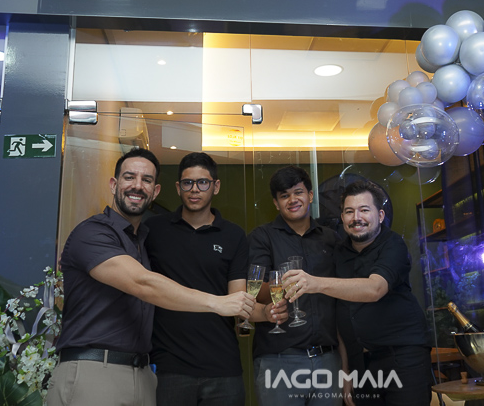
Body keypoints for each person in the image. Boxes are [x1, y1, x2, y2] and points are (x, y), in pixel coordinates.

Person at [48, 148, 256, 406]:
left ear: (156, 191)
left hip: (143, 374)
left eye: (146, 180)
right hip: (94, 369)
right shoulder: (92, 232)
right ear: (113, 184)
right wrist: (217, 302)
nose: (137, 185)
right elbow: (142, 283)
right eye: (129, 177)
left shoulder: (142, 240)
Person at [144, 152, 287, 406]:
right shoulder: (154, 230)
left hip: (223, 368)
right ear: (178, 187)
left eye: (203, 182)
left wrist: (266, 313)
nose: (194, 189)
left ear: (216, 186)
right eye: (187, 183)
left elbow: (238, 300)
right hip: (169, 367)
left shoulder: (233, 235)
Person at [283, 180, 432, 406]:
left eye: (364, 210)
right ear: (342, 218)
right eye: (349, 211)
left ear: (380, 215)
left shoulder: (393, 244)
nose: (356, 218)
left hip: (403, 356)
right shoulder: (340, 252)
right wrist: (346, 371)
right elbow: (341, 312)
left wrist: (315, 283)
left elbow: (375, 289)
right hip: (360, 363)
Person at [247, 165, 343, 406]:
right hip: (279, 359)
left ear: (310, 195)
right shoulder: (262, 237)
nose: (292, 200)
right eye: (284, 195)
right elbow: (254, 290)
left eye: (298, 192)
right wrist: (286, 286)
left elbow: (342, 290)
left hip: (328, 359)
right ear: (276, 203)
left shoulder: (331, 238)